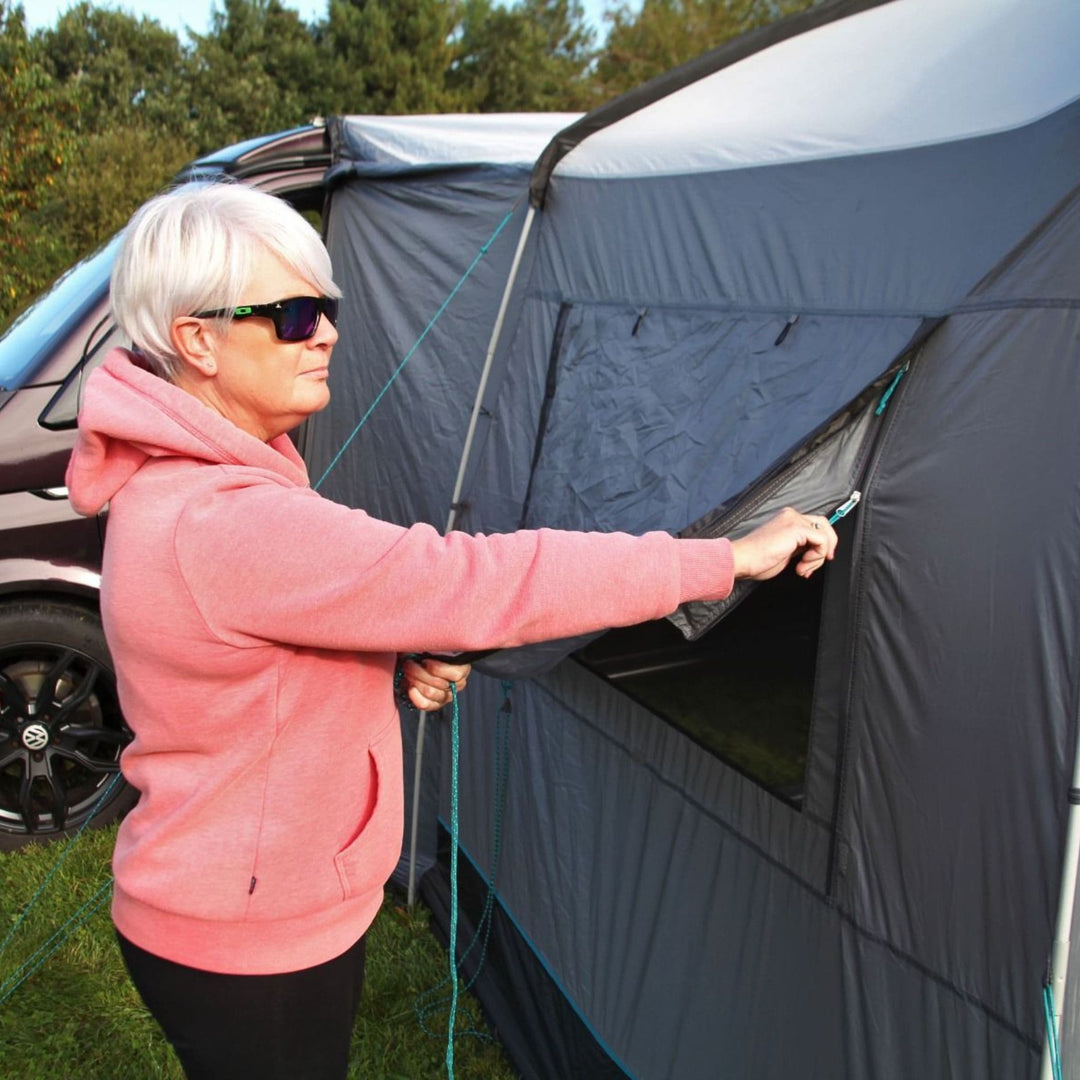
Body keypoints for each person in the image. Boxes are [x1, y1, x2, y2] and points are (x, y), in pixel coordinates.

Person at [65, 181, 838, 1080]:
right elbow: (478, 581)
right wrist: (724, 561)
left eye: (329, 307)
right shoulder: (229, 520)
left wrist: (389, 658)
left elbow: (240, 658)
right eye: (293, 314)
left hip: (220, 903)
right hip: (252, 936)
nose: (328, 333)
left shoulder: (182, 486)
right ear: (197, 340)